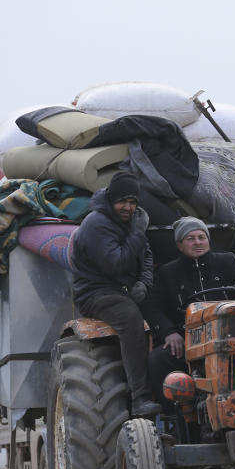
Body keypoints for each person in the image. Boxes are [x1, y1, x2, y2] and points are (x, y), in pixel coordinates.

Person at [142, 217, 235, 410]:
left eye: (201, 237)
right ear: (179, 245)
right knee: (158, 360)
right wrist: (169, 332)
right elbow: (152, 306)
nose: (197, 242)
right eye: (190, 238)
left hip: (229, 336)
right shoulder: (168, 273)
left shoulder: (226, 261)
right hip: (189, 341)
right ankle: (177, 416)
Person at [71, 171, 160, 417]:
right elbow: (116, 263)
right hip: (96, 291)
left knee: (164, 311)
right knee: (130, 318)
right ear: (111, 199)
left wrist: (144, 281)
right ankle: (140, 397)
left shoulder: (131, 221)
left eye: (132, 202)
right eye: (123, 201)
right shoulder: (96, 223)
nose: (128, 207)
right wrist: (138, 233)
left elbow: (147, 254)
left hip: (127, 288)